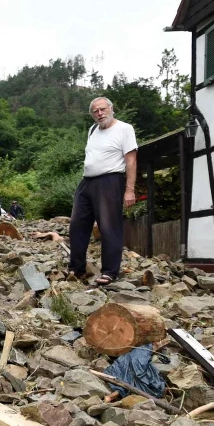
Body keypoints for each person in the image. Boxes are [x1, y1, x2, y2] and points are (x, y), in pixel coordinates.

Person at [69, 97, 137, 285]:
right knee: (77, 224)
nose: (99, 113)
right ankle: (76, 268)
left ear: (111, 109)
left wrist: (129, 190)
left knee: (108, 226)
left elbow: (131, 160)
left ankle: (110, 271)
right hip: (87, 181)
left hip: (110, 180)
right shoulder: (92, 130)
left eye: (102, 109)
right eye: (95, 111)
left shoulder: (124, 129)